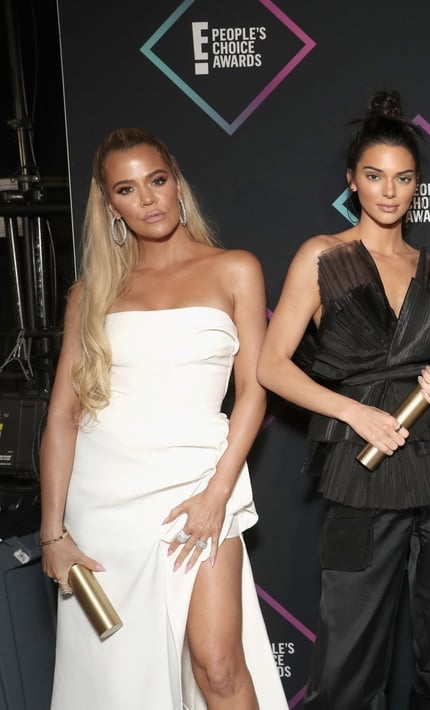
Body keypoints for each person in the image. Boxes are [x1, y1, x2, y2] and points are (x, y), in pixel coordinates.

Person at [38, 128, 286, 709]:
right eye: (127, 189)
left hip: (198, 486)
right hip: (104, 504)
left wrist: (217, 494)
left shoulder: (235, 269)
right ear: (110, 205)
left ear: (177, 184)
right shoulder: (91, 294)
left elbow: (253, 393)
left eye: (157, 180)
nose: (148, 199)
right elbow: (64, 416)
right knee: (123, 680)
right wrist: (53, 532)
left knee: (219, 667)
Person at [256, 91, 430, 709]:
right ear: (351, 180)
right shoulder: (322, 256)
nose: (389, 191)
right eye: (375, 175)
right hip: (361, 470)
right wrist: (352, 411)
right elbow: (271, 366)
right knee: (349, 656)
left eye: (403, 178)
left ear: (417, 186)